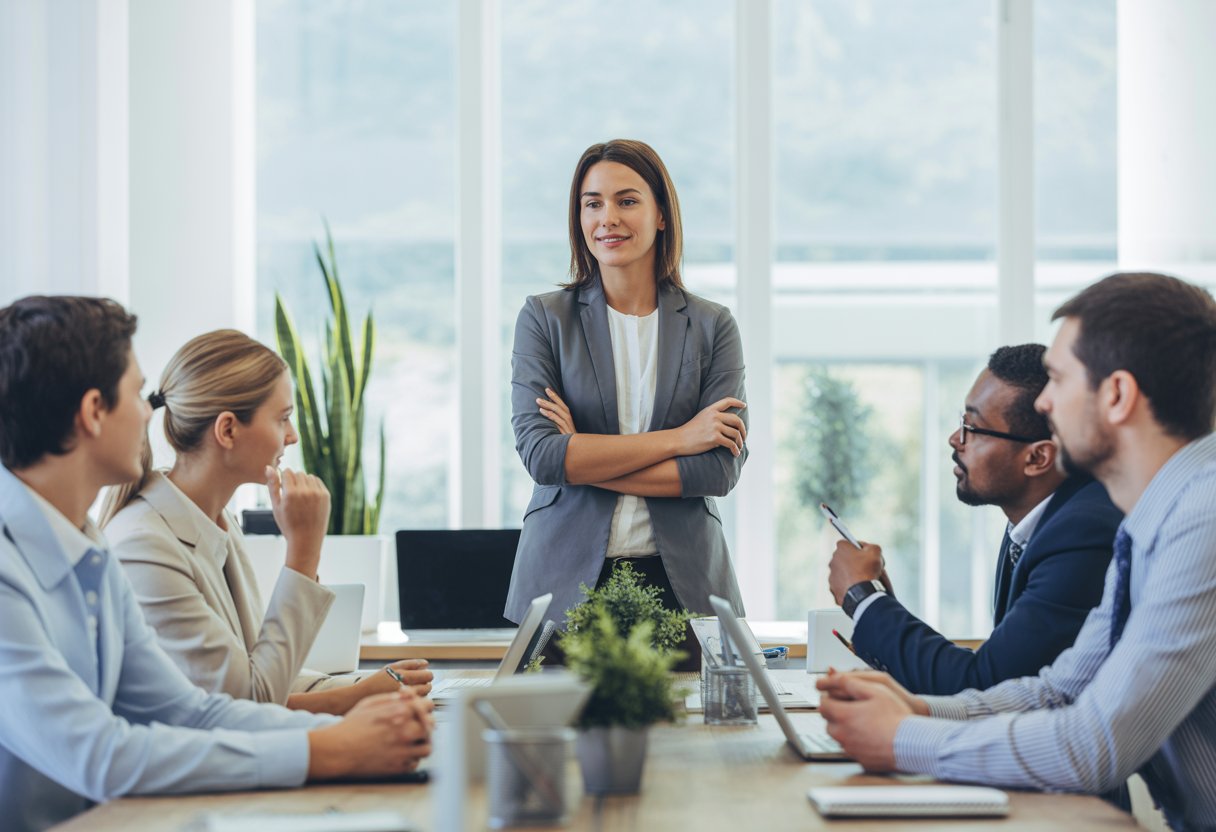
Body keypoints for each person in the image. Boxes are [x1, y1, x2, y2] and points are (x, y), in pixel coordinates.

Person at [0, 296, 433, 832]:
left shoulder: (86, 548)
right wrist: (327, 750)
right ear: (93, 412)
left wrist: (337, 731)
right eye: (136, 392)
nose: (148, 411)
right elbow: (103, 755)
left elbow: (193, 711)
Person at [816, 273, 1216, 832]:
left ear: (1118, 395)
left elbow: (1095, 743)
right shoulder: (1149, 519)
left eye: (1057, 379)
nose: (1047, 402)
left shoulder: (1203, 523)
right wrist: (922, 709)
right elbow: (1059, 693)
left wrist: (905, 739)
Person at [99, 330, 431, 714]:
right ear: (227, 430)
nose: (291, 437)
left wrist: (361, 686)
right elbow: (248, 701)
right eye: (283, 419)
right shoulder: (144, 545)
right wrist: (303, 551)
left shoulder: (216, 520)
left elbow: (257, 668)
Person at [505, 138, 748, 624]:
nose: (607, 218)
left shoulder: (712, 325)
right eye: (592, 203)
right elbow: (543, 457)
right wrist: (681, 439)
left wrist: (582, 454)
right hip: (564, 583)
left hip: (685, 586)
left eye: (627, 201)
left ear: (661, 215)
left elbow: (716, 472)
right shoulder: (544, 318)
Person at [827, 344, 1121, 695]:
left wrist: (862, 597)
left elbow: (987, 685)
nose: (955, 439)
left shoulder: (1082, 533)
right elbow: (1003, 665)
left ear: (1038, 457)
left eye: (973, 427)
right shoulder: (1035, 521)